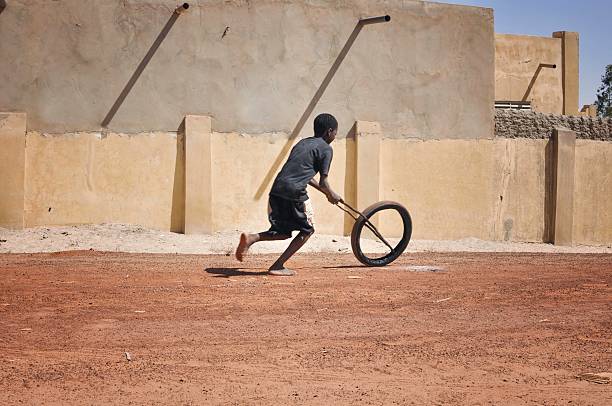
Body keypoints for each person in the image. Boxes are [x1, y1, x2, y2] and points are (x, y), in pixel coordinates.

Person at [235, 113, 343, 276]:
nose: (335, 135)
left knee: (284, 232)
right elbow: (323, 182)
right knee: (308, 230)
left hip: (278, 189)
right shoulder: (326, 149)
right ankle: (278, 265)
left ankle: (252, 238)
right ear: (329, 132)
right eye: (335, 132)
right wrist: (331, 194)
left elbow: (304, 175)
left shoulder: (303, 143)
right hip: (295, 192)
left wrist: (326, 193)